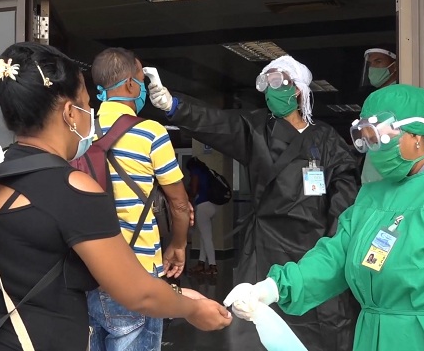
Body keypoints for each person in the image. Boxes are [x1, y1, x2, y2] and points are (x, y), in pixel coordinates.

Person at [0, 42, 232, 351]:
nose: (90, 115)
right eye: (85, 104)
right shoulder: (73, 188)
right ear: (70, 112)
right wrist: (193, 308)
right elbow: (140, 294)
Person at [224, 84, 424, 351]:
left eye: (381, 135)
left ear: (417, 134)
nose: (374, 147)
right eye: (367, 137)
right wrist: (274, 288)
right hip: (371, 335)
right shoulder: (373, 194)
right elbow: (337, 254)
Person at [149, 55, 360, 351]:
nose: (271, 90)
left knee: (317, 324)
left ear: (297, 89)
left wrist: (337, 241)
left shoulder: (325, 139)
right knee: (254, 324)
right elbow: (217, 123)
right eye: (267, 82)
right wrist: (174, 105)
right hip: (265, 243)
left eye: (277, 81)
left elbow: (346, 191)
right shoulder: (257, 128)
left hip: (315, 246)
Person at [86, 47, 194, 351]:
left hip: (89, 269)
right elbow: (179, 204)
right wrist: (178, 245)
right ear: (132, 86)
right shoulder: (151, 132)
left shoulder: (79, 132)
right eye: (142, 79)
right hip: (138, 271)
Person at [186, 157, 219, 276]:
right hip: (213, 206)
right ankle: (201, 263)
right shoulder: (206, 172)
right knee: (204, 237)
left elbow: (194, 191)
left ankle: (212, 265)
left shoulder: (196, 171)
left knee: (206, 238)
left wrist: (186, 193)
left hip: (203, 206)